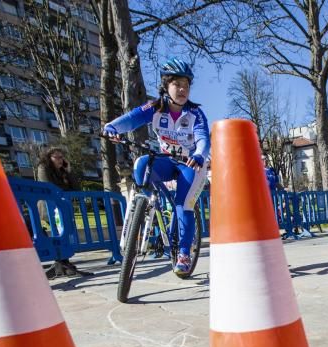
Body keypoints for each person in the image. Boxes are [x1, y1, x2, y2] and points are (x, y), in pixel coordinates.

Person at [102, 57, 210, 276]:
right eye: (177, 84)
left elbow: (203, 139)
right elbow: (132, 119)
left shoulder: (195, 114)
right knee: (142, 163)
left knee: (183, 205)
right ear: (166, 85)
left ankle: (183, 253)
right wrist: (113, 126)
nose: (182, 89)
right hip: (167, 160)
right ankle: (145, 206)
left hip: (191, 163)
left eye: (186, 85)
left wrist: (199, 154)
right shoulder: (155, 107)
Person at [35, 146, 92, 278]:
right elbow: (48, 186)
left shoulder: (63, 171)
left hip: (63, 206)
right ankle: (62, 263)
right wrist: (65, 189)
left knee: (65, 232)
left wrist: (69, 171)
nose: (60, 160)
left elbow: (76, 189)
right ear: (49, 158)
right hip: (49, 206)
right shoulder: (43, 168)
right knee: (59, 232)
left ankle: (62, 263)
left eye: (62, 157)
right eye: (57, 157)